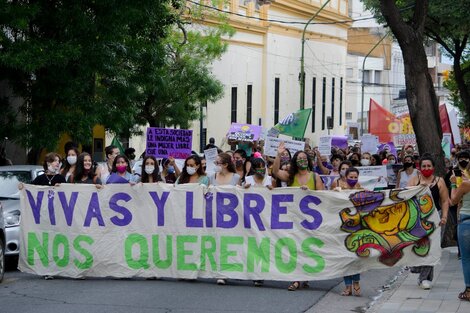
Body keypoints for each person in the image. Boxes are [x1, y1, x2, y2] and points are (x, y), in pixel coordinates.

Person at [272, 142, 324, 291]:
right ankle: (296, 279)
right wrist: (278, 154)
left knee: (306, 248)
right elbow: (275, 172)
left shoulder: (315, 177)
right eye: (299, 158)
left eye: (304, 158)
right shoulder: (290, 176)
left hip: (310, 221)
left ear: (308, 161)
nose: (302, 161)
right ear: (295, 162)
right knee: (294, 248)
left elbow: (323, 197)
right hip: (293, 219)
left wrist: (309, 192)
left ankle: (304, 275)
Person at [407, 154, 449, 290]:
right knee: (420, 247)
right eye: (424, 166)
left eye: (429, 166)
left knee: (432, 249)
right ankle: (417, 268)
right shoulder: (414, 180)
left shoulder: (439, 181)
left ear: (433, 167)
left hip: (435, 218)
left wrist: (444, 217)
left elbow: (444, 200)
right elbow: (406, 198)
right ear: (419, 168)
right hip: (418, 220)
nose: (426, 168)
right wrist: (418, 188)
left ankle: (425, 279)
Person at [209, 152, 241, 285]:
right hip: (215, 215)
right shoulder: (211, 177)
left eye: (218, 163)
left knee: (228, 243)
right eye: (215, 163)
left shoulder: (236, 177)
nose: (215, 165)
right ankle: (220, 272)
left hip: (231, 218)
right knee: (217, 244)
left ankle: (228, 270)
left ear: (226, 164)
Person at [334, 167, 362, 296]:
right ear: (346, 177)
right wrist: (335, 193)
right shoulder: (338, 186)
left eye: (355, 177)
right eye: (351, 177)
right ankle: (347, 286)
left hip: (356, 227)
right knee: (345, 257)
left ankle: (356, 282)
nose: (353, 179)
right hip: (342, 227)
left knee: (355, 256)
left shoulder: (360, 189)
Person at [449, 152, 470, 301]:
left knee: (466, 258)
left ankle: (468, 290)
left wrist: (452, 183)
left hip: (466, 222)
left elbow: (453, 201)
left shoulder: (465, 184)